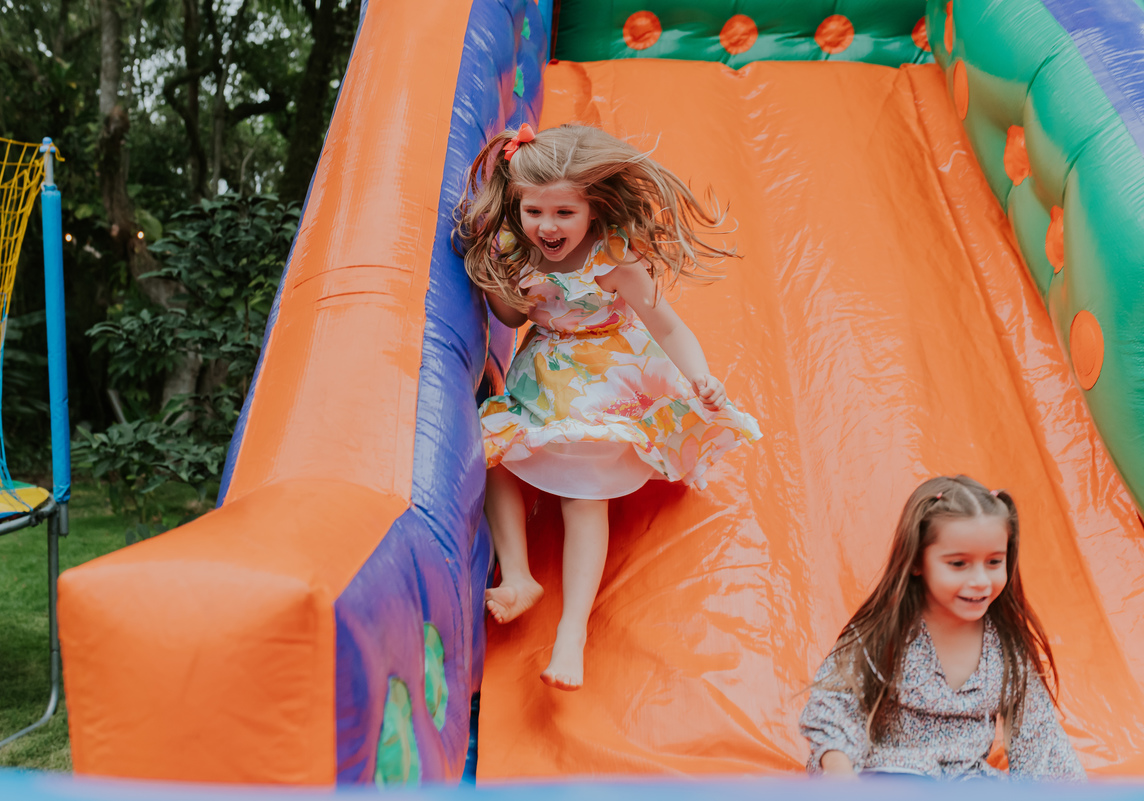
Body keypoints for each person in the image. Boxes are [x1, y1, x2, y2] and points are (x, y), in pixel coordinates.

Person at [454, 123, 761, 691]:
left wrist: (702, 378)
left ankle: (573, 633)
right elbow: (515, 321)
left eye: (564, 214)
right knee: (488, 446)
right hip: (546, 371)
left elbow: (667, 325)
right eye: (534, 212)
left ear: (593, 207)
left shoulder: (615, 256)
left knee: (581, 490)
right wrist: (500, 280)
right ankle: (518, 576)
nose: (547, 227)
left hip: (610, 371)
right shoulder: (514, 248)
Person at [799, 475, 1085, 780]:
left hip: (964, 779)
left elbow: (1038, 734)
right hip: (889, 772)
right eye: (958, 564)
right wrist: (841, 776)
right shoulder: (886, 634)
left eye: (994, 562)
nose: (980, 580)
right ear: (917, 561)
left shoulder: (1005, 647)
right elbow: (834, 706)